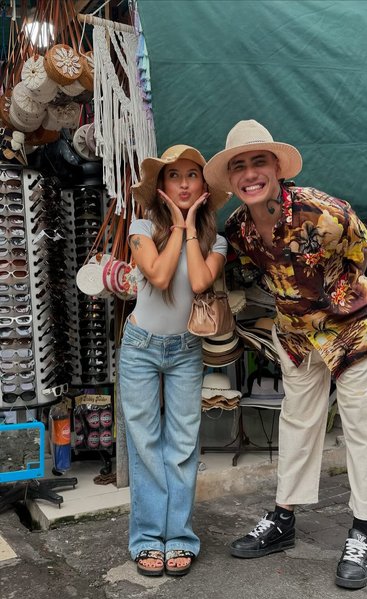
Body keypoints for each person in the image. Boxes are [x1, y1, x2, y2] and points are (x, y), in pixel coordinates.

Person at [204, 120, 367, 589]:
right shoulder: (239, 227)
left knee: (362, 427)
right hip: (297, 335)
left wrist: (334, 296)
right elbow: (250, 273)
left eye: (258, 161)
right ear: (232, 178)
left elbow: (361, 250)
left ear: (277, 167)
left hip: (350, 328)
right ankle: (283, 518)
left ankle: (362, 531)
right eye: (238, 166)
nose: (249, 174)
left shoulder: (324, 211)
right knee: (298, 424)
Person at [121, 145, 228, 577]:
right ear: (161, 186)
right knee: (145, 445)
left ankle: (179, 537)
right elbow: (160, 276)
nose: (183, 183)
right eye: (173, 176)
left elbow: (201, 279)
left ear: (203, 185)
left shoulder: (214, 240)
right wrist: (178, 223)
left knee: (182, 445)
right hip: (140, 348)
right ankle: (148, 539)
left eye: (192, 176)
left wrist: (188, 229)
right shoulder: (141, 227)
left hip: (186, 350)